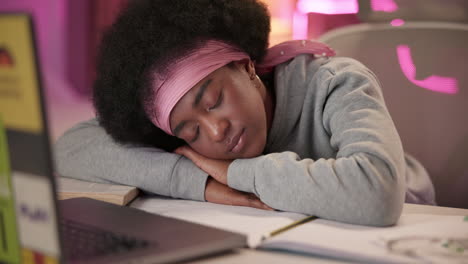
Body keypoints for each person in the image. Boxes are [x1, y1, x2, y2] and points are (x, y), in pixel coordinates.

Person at [54, 0, 436, 226]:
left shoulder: (333, 82)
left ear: (247, 66)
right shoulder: (194, 145)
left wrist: (237, 174)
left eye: (214, 100)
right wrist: (201, 183)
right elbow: (69, 148)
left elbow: (378, 194)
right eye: (189, 131)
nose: (215, 132)